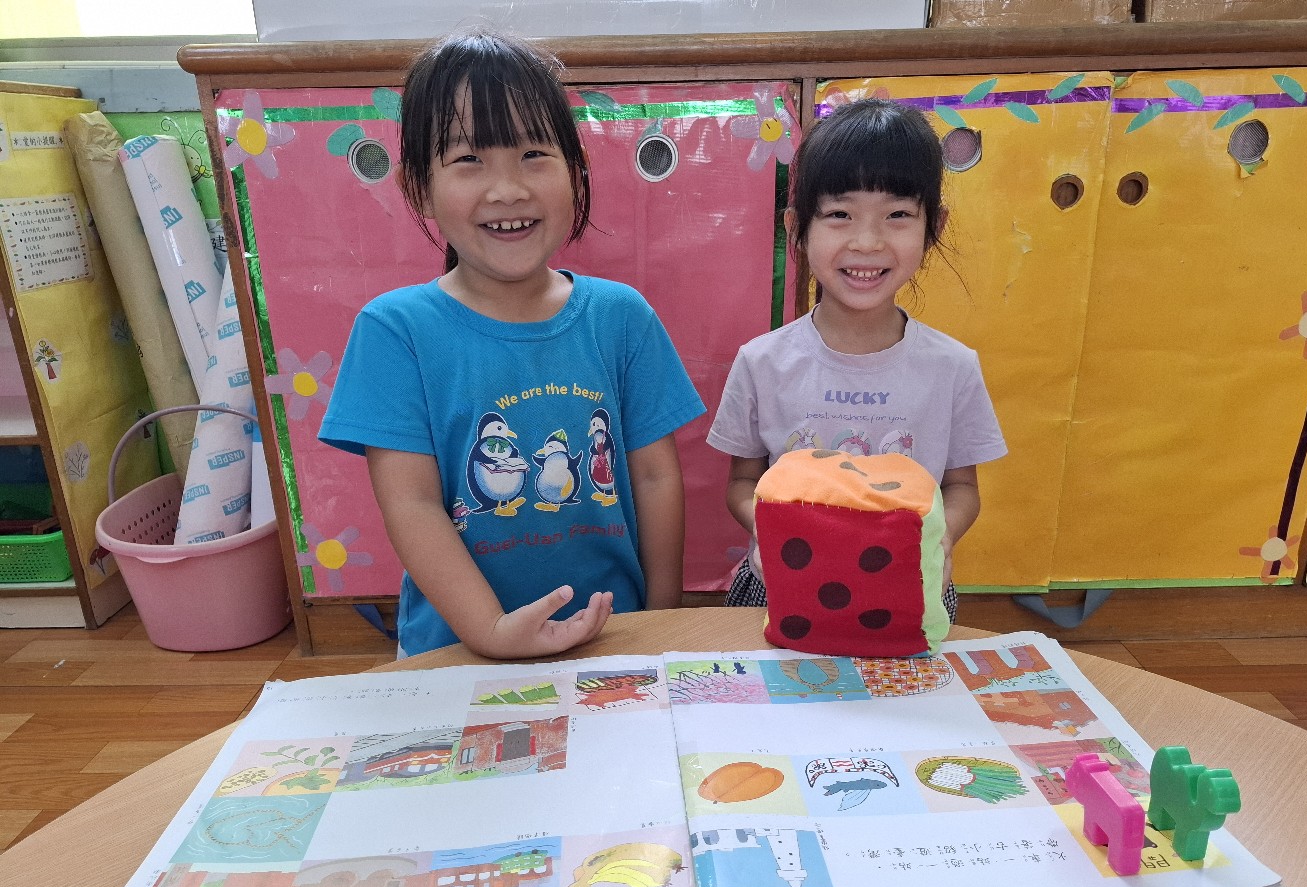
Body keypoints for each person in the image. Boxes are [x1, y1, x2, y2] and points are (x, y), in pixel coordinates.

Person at [320, 32, 704, 658]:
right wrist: (492, 631)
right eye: (468, 158)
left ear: (576, 172)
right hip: (459, 647)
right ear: (418, 187)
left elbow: (656, 476)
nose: (507, 189)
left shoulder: (621, 316)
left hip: (614, 636)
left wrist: (660, 621)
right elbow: (413, 504)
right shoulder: (394, 330)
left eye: (533, 153)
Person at [707, 98, 1006, 621]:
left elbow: (961, 488)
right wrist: (777, 528)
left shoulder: (952, 367)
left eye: (897, 215)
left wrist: (938, 538)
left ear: (933, 226)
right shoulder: (762, 362)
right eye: (840, 215)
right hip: (781, 583)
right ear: (798, 227)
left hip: (905, 586)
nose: (867, 242)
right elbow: (741, 483)